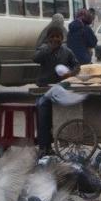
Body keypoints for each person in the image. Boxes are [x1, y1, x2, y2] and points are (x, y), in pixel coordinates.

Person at [32, 25, 79, 155]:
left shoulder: (67, 52)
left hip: (60, 89)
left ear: (62, 38)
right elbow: (35, 58)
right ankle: (43, 147)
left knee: (59, 118)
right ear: (48, 39)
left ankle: (54, 144)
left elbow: (76, 65)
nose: (55, 39)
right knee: (43, 115)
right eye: (52, 37)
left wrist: (71, 73)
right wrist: (49, 49)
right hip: (44, 89)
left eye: (58, 37)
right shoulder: (43, 49)